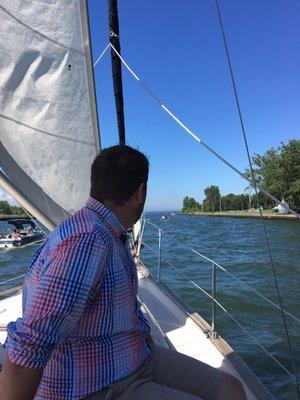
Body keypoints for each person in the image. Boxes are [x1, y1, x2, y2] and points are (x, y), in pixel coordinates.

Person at [0, 145, 246, 400]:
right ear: (140, 192)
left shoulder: (110, 231)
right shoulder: (88, 240)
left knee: (231, 390)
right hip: (100, 384)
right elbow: (31, 344)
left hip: (135, 356)